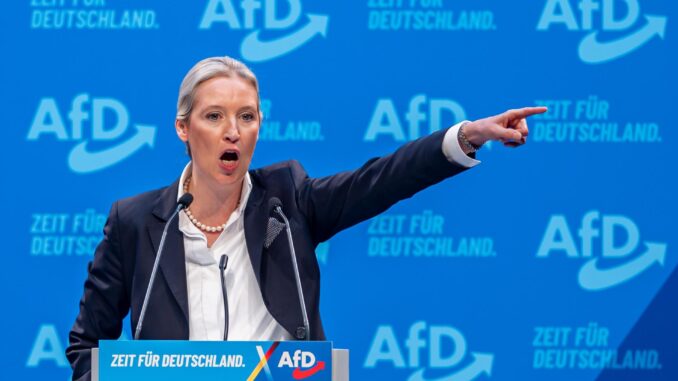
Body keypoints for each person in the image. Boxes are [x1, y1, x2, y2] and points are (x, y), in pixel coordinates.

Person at [66, 55, 546, 380]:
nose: (233, 132)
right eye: (214, 117)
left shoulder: (288, 200)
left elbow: (382, 180)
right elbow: (87, 347)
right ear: (182, 128)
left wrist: (466, 137)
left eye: (247, 117)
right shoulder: (137, 222)